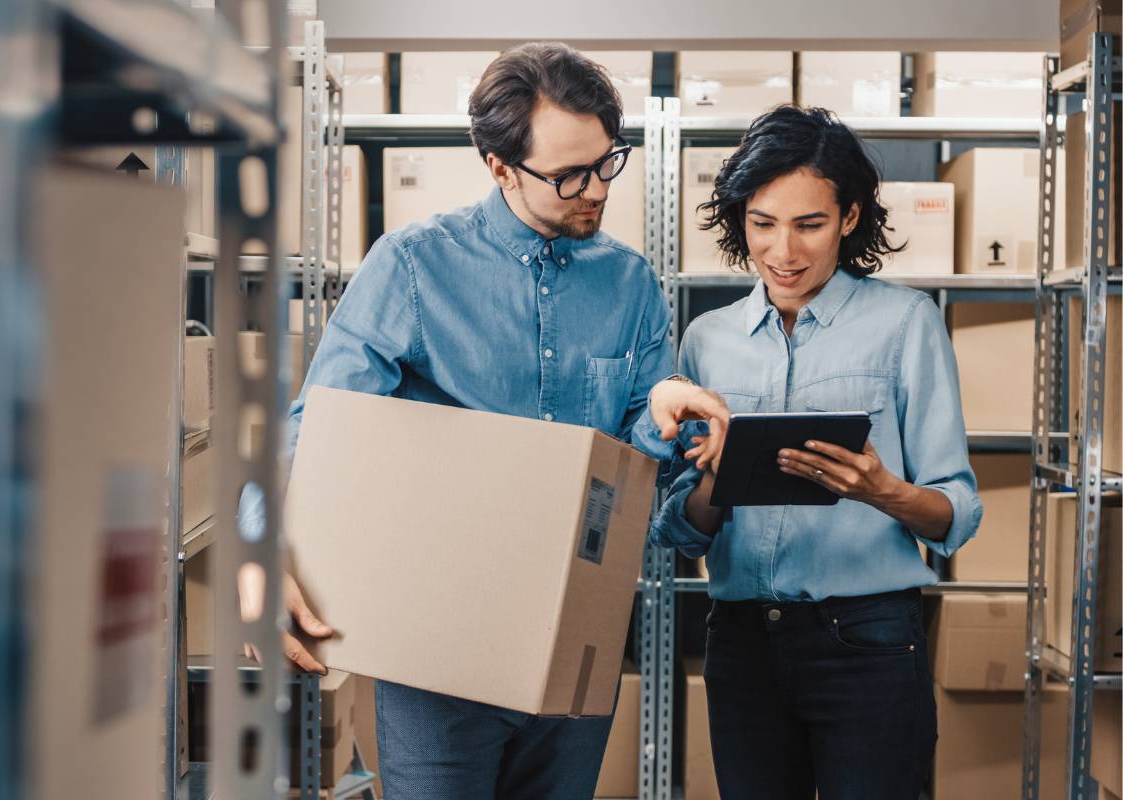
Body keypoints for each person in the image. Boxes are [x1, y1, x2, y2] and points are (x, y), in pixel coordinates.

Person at [238, 43, 727, 800]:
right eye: (567, 175)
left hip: (575, 642)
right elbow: (315, 430)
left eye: (606, 163)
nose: (595, 189)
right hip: (438, 652)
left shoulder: (630, 283)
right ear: (499, 167)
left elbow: (637, 473)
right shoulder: (411, 268)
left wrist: (660, 420)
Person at [645, 105, 983, 800]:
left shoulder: (905, 324)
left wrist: (879, 489)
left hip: (868, 640)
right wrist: (713, 478)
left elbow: (957, 513)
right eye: (763, 224)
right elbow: (678, 530)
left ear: (851, 217)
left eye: (809, 224)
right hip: (741, 643)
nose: (783, 253)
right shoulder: (707, 340)